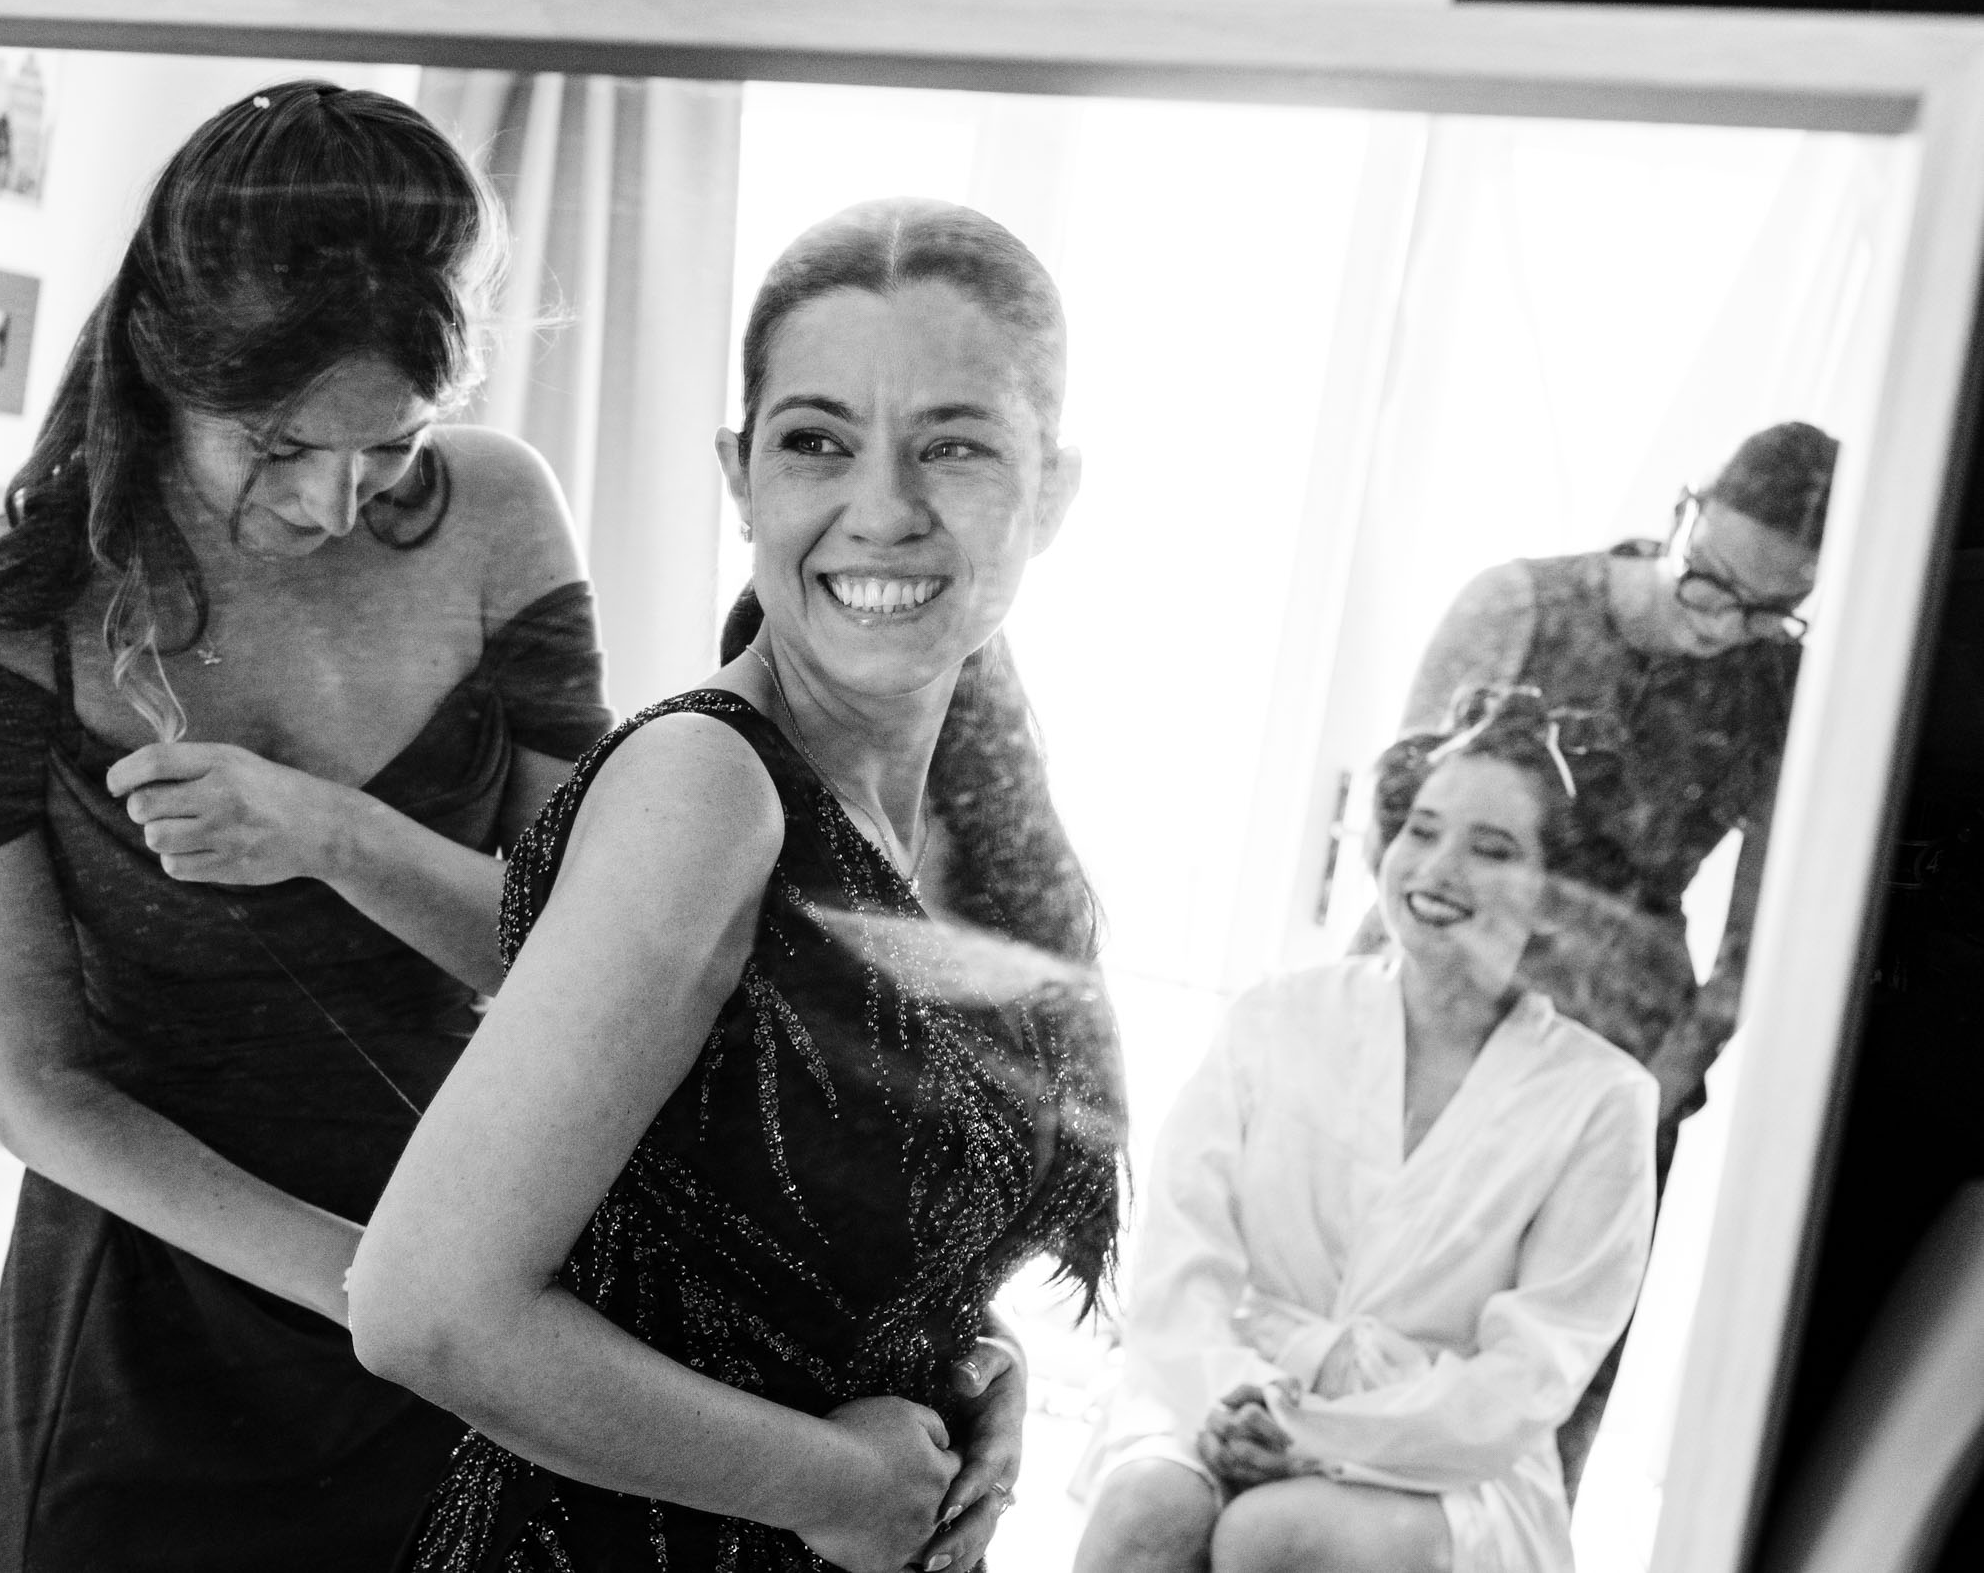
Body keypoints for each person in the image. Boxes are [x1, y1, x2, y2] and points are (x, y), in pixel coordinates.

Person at [0, 81, 617, 1571]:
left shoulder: (501, 517)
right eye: (275, 444)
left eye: (387, 444)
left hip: (478, 1283)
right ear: (165, 364)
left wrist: (333, 831)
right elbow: (45, 1088)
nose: (334, 498)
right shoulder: (8, 620)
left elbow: (577, 969)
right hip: (151, 1331)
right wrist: (373, 1288)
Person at [348, 199, 1128, 1573]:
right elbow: (427, 1308)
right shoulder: (705, 789)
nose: (880, 507)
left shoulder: (982, 807)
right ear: (741, 472)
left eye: (953, 444)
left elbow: (794, 1241)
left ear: (1052, 492)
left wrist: (976, 1364)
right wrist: (835, 1479)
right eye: (817, 440)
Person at [1073, 689, 1659, 1573]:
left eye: (1491, 848)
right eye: (1421, 830)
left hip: (1451, 1463)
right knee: (1147, 1505)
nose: (1437, 866)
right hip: (1226, 1392)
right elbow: (1178, 1262)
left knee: (1280, 1536)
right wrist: (1244, 1402)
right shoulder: (1275, 1017)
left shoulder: (1603, 1099)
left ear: (1557, 900)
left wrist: (1327, 1439)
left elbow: (1529, 1376)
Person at [1397, 421, 1835, 1136]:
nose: (1724, 626)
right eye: (1709, 580)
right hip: (1442, 995)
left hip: (1622, 1041)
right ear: (1681, 514)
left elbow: (1755, 937)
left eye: (1766, 611)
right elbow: (1400, 825)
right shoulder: (1518, 606)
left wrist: (1657, 1091)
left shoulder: (1781, 688)